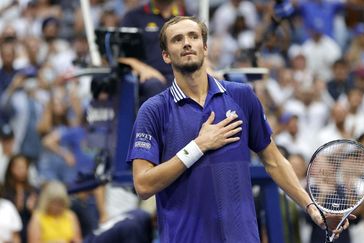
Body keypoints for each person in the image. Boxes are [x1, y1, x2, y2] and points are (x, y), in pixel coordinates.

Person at [126, 16, 352, 242]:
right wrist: (198, 146)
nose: (187, 43)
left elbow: (274, 161)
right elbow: (144, 185)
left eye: (193, 37)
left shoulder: (241, 96)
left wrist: (311, 206)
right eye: (177, 39)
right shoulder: (153, 110)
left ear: (204, 48)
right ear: (166, 55)